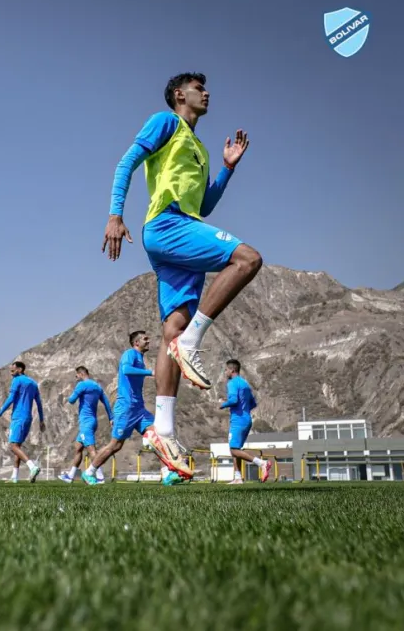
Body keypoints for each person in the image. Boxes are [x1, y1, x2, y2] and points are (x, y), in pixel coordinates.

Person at [102, 72, 261, 478]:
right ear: (179, 95)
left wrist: (226, 169)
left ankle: (164, 429)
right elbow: (127, 163)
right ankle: (192, 343)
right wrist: (115, 214)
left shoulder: (202, 150)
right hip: (167, 225)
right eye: (198, 88)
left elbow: (204, 207)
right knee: (247, 259)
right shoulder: (165, 121)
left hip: (183, 228)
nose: (206, 93)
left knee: (172, 326)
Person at [82, 331, 182, 487]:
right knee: (116, 445)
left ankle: (167, 474)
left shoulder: (140, 358)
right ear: (136, 343)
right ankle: (89, 472)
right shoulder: (130, 354)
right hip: (126, 408)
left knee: (158, 437)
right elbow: (126, 370)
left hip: (139, 409)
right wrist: (152, 372)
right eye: (145, 339)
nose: (148, 341)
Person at [218, 359, 272, 484]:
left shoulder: (232, 383)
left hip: (238, 420)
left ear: (232, 370)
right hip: (247, 419)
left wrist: (223, 404)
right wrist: (243, 408)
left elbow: (234, 400)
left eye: (226, 370)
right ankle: (238, 477)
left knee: (233, 450)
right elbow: (252, 403)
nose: (225, 372)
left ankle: (262, 463)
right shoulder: (245, 384)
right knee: (236, 449)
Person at [0, 361, 44, 483]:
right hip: (28, 418)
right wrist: (41, 419)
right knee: (18, 446)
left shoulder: (17, 381)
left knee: (13, 446)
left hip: (18, 417)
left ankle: (32, 466)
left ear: (20, 370)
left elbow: (11, 398)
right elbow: (39, 403)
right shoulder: (33, 383)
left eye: (13, 370)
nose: (11, 373)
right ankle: (14, 477)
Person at [59, 366, 112, 484]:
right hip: (92, 421)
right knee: (78, 447)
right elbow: (106, 403)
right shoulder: (97, 386)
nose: (76, 377)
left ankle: (100, 477)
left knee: (91, 450)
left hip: (86, 423)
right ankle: (70, 476)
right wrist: (111, 418)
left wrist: (68, 395)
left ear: (81, 374)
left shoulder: (82, 385)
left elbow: (72, 400)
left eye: (76, 375)